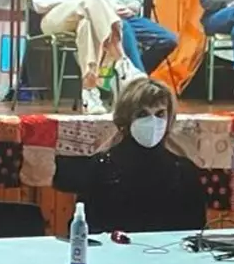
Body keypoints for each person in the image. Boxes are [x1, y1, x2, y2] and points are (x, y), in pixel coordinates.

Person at [54, 77, 206, 233]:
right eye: (142, 114)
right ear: (126, 118)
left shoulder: (184, 172)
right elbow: (84, 229)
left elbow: (195, 230)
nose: (152, 121)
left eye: (160, 114)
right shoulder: (100, 168)